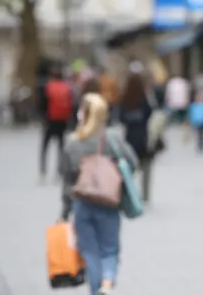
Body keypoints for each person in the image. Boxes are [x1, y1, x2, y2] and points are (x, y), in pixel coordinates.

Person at [60, 93, 138, 295]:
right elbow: (133, 162)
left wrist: (65, 210)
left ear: (82, 114)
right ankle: (107, 282)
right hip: (109, 202)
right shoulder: (112, 138)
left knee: (90, 252)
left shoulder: (72, 141)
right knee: (110, 249)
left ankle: (97, 291)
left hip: (82, 204)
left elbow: (67, 178)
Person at [118, 71, 154, 202]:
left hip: (129, 139)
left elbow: (121, 117)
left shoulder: (125, 98)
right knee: (146, 168)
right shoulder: (143, 98)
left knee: (129, 168)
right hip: (143, 138)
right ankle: (145, 195)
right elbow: (150, 113)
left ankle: (129, 193)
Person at [40, 64, 73, 184]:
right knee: (61, 148)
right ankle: (59, 172)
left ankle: (43, 171)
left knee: (45, 147)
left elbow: (43, 104)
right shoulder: (67, 87)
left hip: (50, 120)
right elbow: (71, 105)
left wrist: (43, 117)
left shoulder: (48, 87)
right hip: (62, 121)